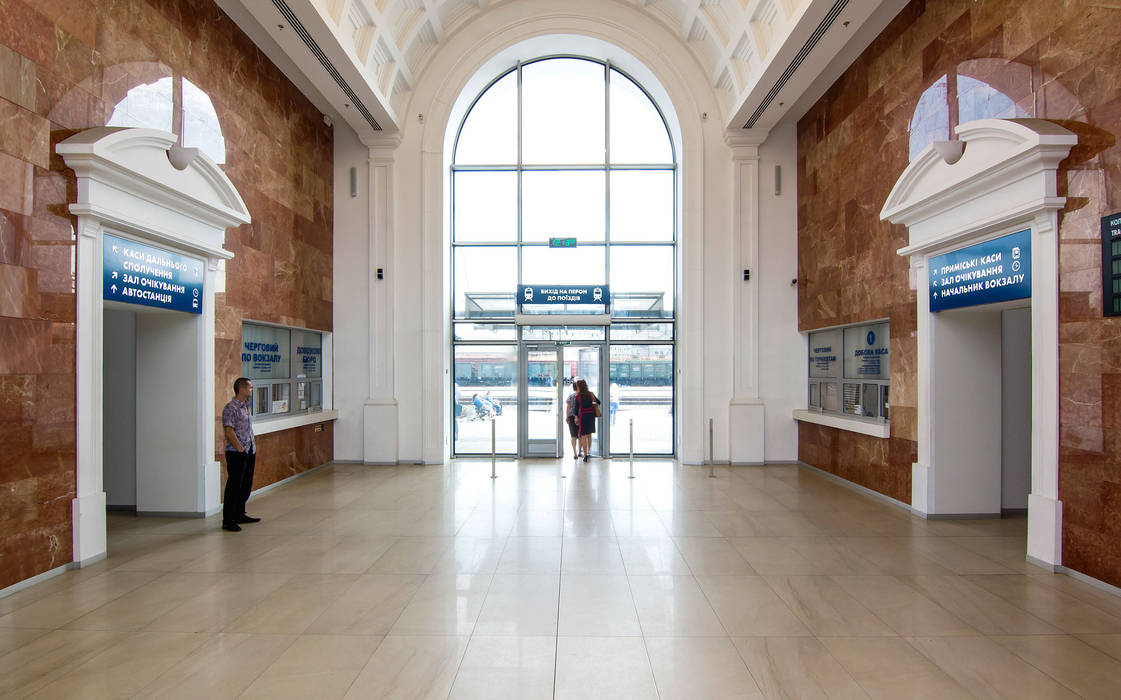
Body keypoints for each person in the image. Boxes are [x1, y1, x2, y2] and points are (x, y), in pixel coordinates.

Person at [221, 377, 260, 532]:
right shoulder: (231, 408)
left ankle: (239, 513)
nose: (251, 389)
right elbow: (229, 430)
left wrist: (250, 449)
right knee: (234, 486)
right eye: (250, 387)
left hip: (249, 450)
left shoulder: (246, 406)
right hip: (237, 452)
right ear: (241, 389)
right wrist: (240, 449)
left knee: (245, 485)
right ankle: (228, 519)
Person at [575, 378, 600, 462]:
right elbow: (598, 402)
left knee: (583, 436)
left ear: (579, 387)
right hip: (591, 416)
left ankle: (585, 455)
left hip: (583, 416)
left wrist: (576, 418)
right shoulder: (590, 394)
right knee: (589, 435)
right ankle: (589, 452)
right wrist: (592, 403)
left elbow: (576, 409)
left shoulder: (578, 396)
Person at [565, 381, 580, 459]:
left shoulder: (571, 396)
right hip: (580, 416)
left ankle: (575, 453)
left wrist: (567, 417)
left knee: (573, 436)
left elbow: (568, 407)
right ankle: (580, 452)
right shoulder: (582, 396)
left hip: (571, 416)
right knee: (580, 435)